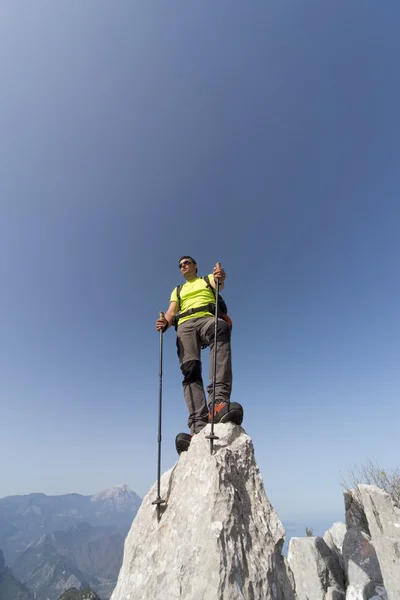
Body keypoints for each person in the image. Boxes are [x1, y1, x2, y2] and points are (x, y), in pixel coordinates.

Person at [156, 256, 243, 454]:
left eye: (186, 262)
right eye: (180, 265)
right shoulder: (177, 290)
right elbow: (171, 311)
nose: (183, 266)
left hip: (206, 317)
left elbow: (219, 282)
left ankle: (218, 404)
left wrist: (220, 277)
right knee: (190, 370)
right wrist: (165, 323)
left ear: (195, 266)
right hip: (185, 324)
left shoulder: (207, 279)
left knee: (220, 328)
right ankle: (197, 424)